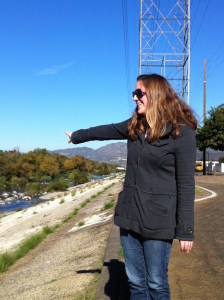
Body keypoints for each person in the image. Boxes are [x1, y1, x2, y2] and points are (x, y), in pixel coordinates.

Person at [65, 74, 197, 300]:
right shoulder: (135, 125)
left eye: (139, 93)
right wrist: (78, 136)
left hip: (158, 220)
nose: (134, 98)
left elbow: (186, 184)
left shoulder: (181, 132)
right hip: (129, 215)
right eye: (134, 93)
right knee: (136, 282)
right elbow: (104, 131)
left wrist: (186, 230)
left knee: (156, 283)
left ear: (156, 95)